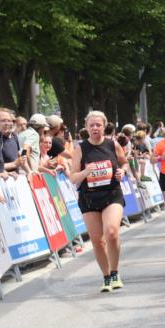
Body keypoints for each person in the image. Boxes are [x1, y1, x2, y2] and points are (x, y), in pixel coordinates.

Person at [69, 110, 129, 292]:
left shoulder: (113, 145)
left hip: (112, 193)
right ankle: (106, 277)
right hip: (89, 197)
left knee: (111, 232)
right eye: (91, 125)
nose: (95, 128)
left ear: (104, 126)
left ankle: (115, 272)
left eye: (98, 125)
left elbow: (124, 162)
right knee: (97, 240)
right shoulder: (80, 149)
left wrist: (123, 171)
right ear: (86, 128)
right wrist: (86, 172)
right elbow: (73, 178)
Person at [0, 108, 25, 174]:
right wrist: (13, 164)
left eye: (10, 121)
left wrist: (30, 171)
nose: (8, 124)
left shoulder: (14, 136)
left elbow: (19, 157)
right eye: (3, 120)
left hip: (12, 179)